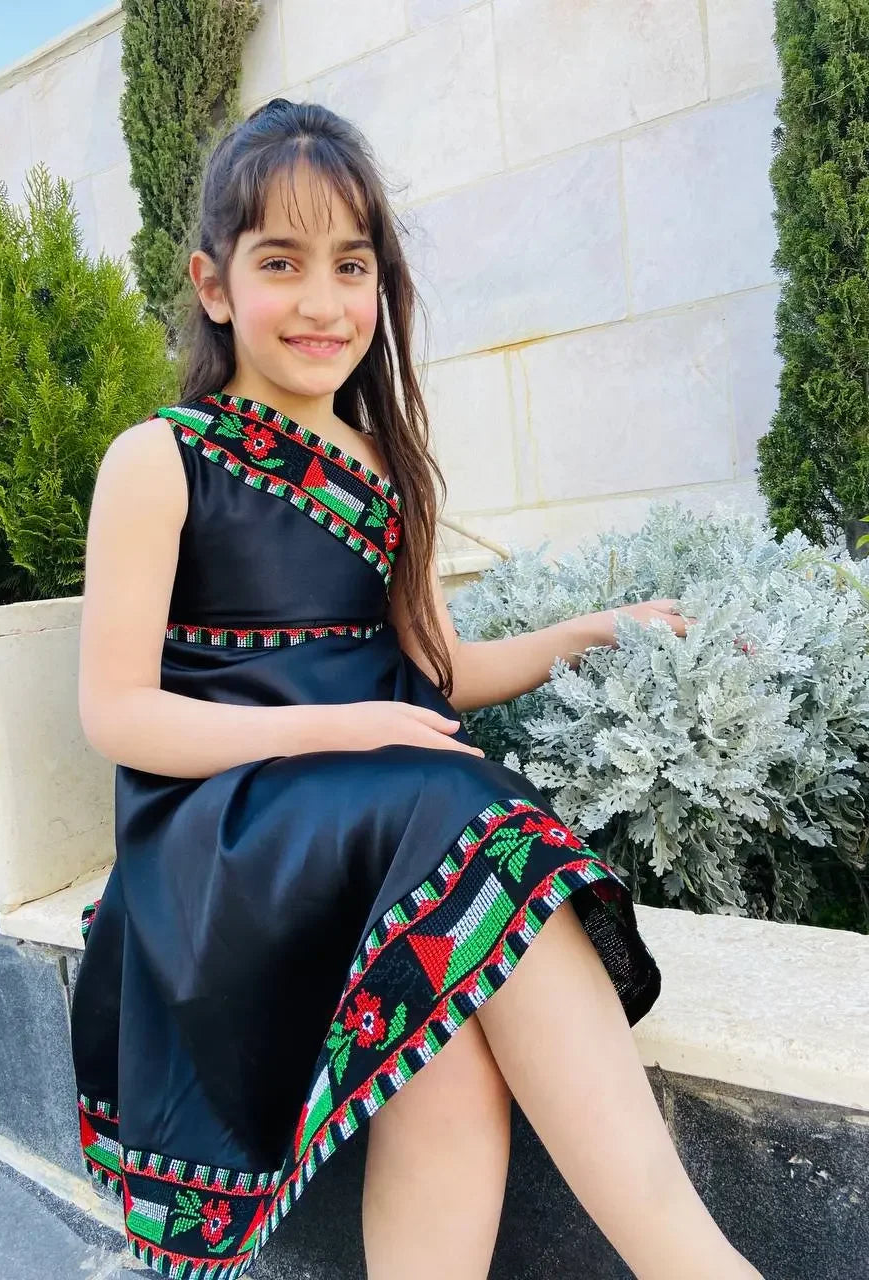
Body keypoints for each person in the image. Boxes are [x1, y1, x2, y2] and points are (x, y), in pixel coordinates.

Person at [69, 98, 762, 1280]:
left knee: (444, 1019)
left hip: (369, 820)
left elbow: (439, 672)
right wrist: (343, 725)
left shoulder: (378, 464)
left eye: (353, 265)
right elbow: (117, 713)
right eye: (282, 263)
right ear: (215, 283)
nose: (325, 301)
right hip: (224, 831)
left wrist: (590, 628)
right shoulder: (161, 457)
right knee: (466, 812)